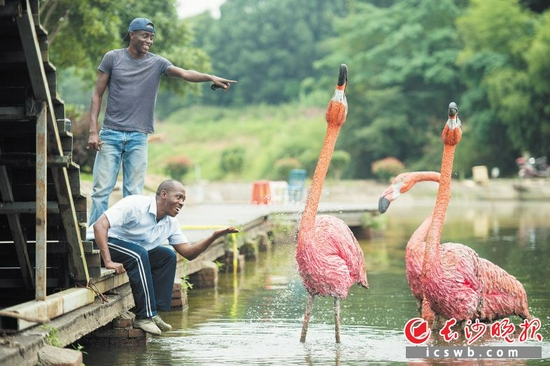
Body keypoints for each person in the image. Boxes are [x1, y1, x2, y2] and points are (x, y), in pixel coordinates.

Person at [86, 17, 236, 232]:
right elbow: (97, 95)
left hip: (139, 136)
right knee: (101, 190)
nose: (149, 41)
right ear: (132, 35)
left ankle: (128, 237)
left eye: (152, 37)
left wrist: (209, 76)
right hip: (111, 133)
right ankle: (94, 236)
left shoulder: (157, 63)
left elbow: (184, 73)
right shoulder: (112, 58)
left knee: (134, 193)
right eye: (145, 36)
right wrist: (93, 131)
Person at [93, 179, 239, 334]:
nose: (181, 202)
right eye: (178, 197)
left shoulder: (171, 223)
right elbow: (99, 225)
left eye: (183, 199)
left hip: (130, 249)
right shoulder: (135, 204)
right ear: (163, 194)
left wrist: (213, 236)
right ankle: (144, 316)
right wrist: (108, 261)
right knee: (139, 254)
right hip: (100, 243)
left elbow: (188, 253)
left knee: (167, 255)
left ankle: (153, 312)